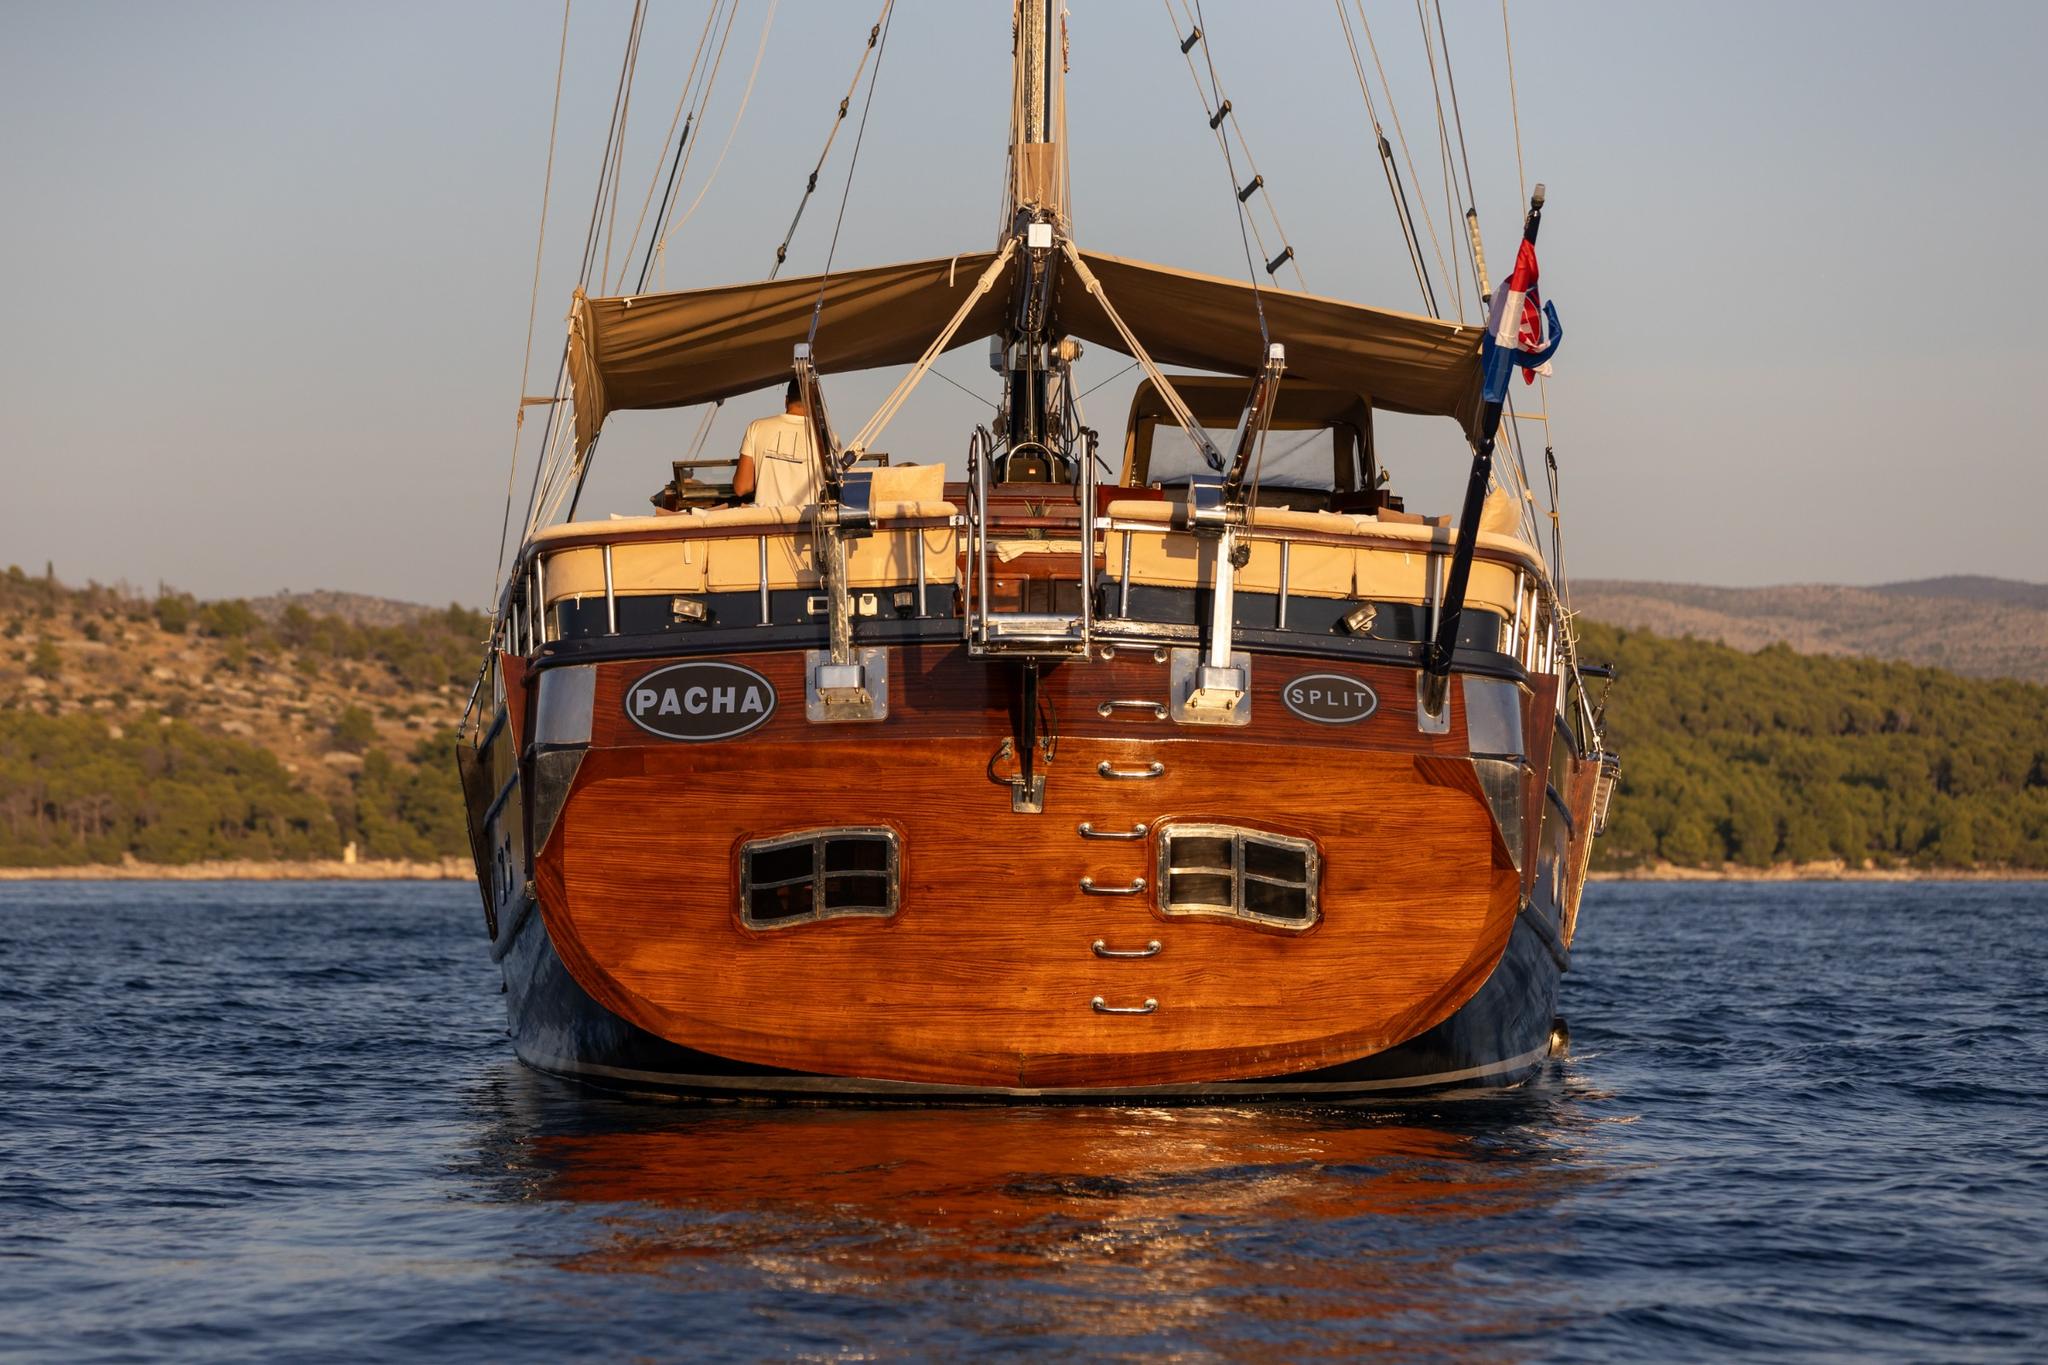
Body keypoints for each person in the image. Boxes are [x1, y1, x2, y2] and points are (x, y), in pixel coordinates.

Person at [731, 379, 822, 507]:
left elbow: (742, 487)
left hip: (767, 523)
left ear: (786, 400)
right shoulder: (825, 438)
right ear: (815, 404)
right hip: (809, 522)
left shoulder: (757, 428)